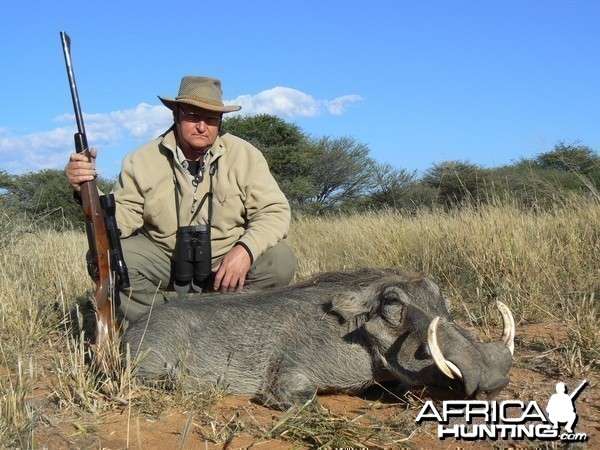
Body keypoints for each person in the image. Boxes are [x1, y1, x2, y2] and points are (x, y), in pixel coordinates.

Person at [66, 76, 297, 323]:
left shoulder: (246, 155)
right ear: (176, 114)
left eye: (211, 119)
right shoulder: (141, 160)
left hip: (227, 262)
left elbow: (274, 211)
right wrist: (85, 189)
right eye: (193, 116)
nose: (202, 126)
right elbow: (118, 222)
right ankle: (168, 327)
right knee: (109, 257)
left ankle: (230, 326)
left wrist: (245, 250)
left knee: (280, 261)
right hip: (168, 260)